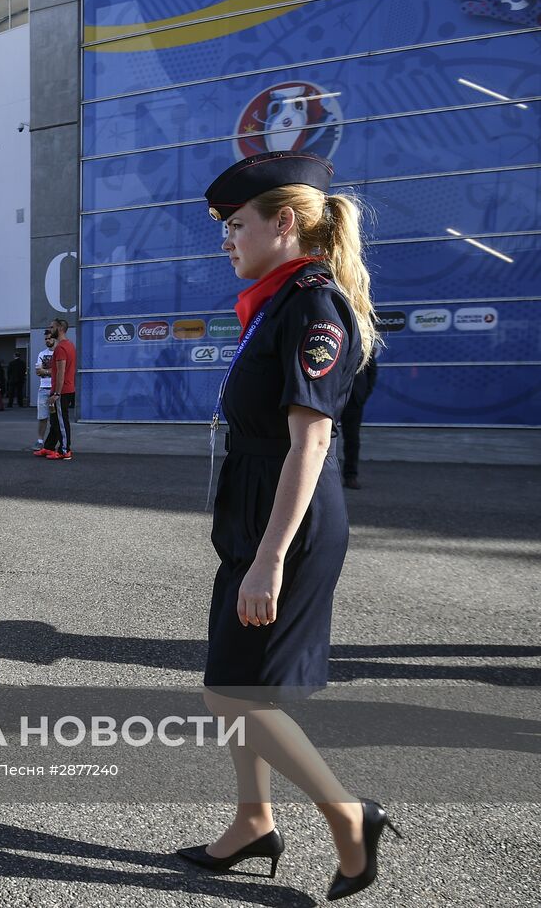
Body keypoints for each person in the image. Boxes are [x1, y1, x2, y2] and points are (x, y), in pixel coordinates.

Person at [176, 150, 397, 902]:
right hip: (257, 509)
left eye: (236, 225)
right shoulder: (276, 301)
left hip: (288, 521)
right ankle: (253, 821)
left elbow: (313, 440)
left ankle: (348, 816)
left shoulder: (310, 305)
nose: (226, 239)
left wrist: (269, 558)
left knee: (233, 693)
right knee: (236, 685)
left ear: (284, 222)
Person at [339, 351, 378, 489]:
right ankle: (317, 477)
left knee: (352, 440)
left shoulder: (364, 345)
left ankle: (350, 476)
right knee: (321, 438)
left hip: (354, 401)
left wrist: (362, 396)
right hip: (332, 399)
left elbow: (372, 372)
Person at [41, 319, 75, 460]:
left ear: (60, 328)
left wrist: (56, 393)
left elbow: (61, 372)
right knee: (55, 420)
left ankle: (64, 450)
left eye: (52, 327)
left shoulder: (61, 348)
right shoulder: (69, 345)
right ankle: (49, 447)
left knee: (61, 421)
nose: (50, 330)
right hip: (62, 390)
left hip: (61, 391)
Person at [32, 330, 56, 454]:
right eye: (46, 339)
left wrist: (45, 371)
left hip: (55, 389)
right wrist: (52, 371)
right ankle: (40, 441)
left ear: (54, 339)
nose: (47, 340)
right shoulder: (42, 353)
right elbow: (38, 372)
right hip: (43, 389)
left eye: (49, 338)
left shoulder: (58, 353)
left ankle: (52, 443)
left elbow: (60, 371)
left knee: (55, 418)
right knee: (42, 416)